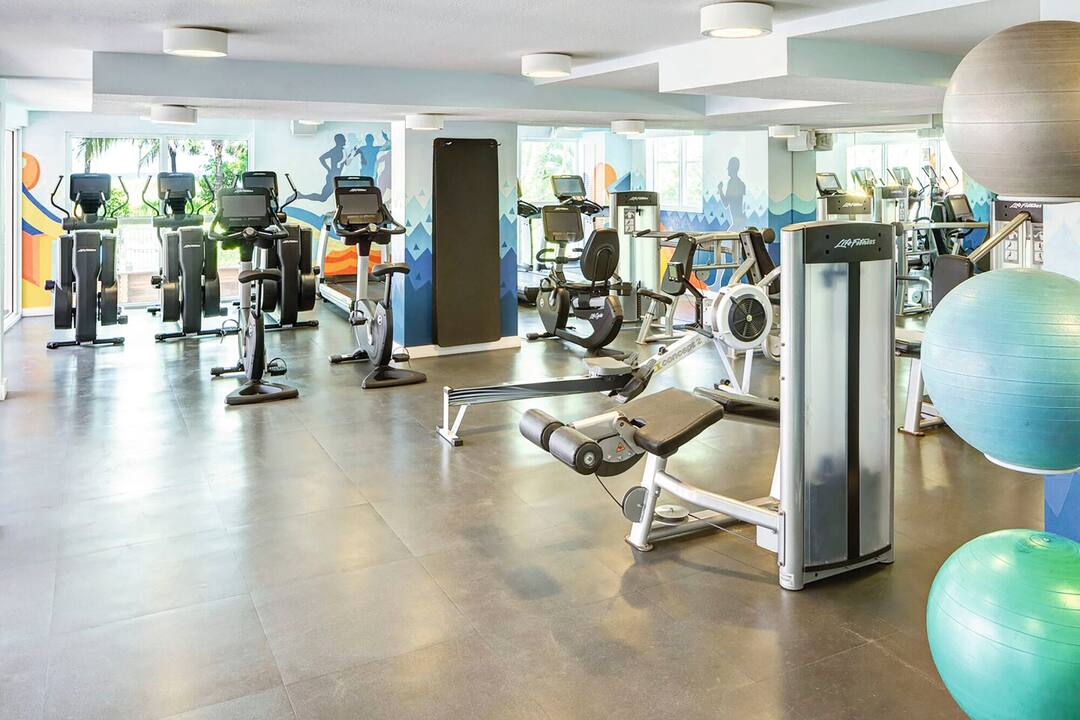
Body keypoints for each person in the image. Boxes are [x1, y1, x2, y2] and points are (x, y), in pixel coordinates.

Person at [298, 133, 348, 202]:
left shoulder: (342, 150)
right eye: (343, 139)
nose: (345, 140)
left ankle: (301, 196)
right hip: (332, 177)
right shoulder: (334, 151)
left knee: (324, 198)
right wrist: (328, 169)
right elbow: (322, 158)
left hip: (336, 176)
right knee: (323, 198)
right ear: (339, 141)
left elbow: (344, 162)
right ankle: (301, 196)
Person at [719, 156, 747, 230]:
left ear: (732, 168)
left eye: (729, 167)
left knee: (727, 236)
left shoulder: (732, 183)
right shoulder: (741, 183)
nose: (727, 169)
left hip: (737, 223)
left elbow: (725, 203)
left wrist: (720, 190)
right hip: (741, 221)